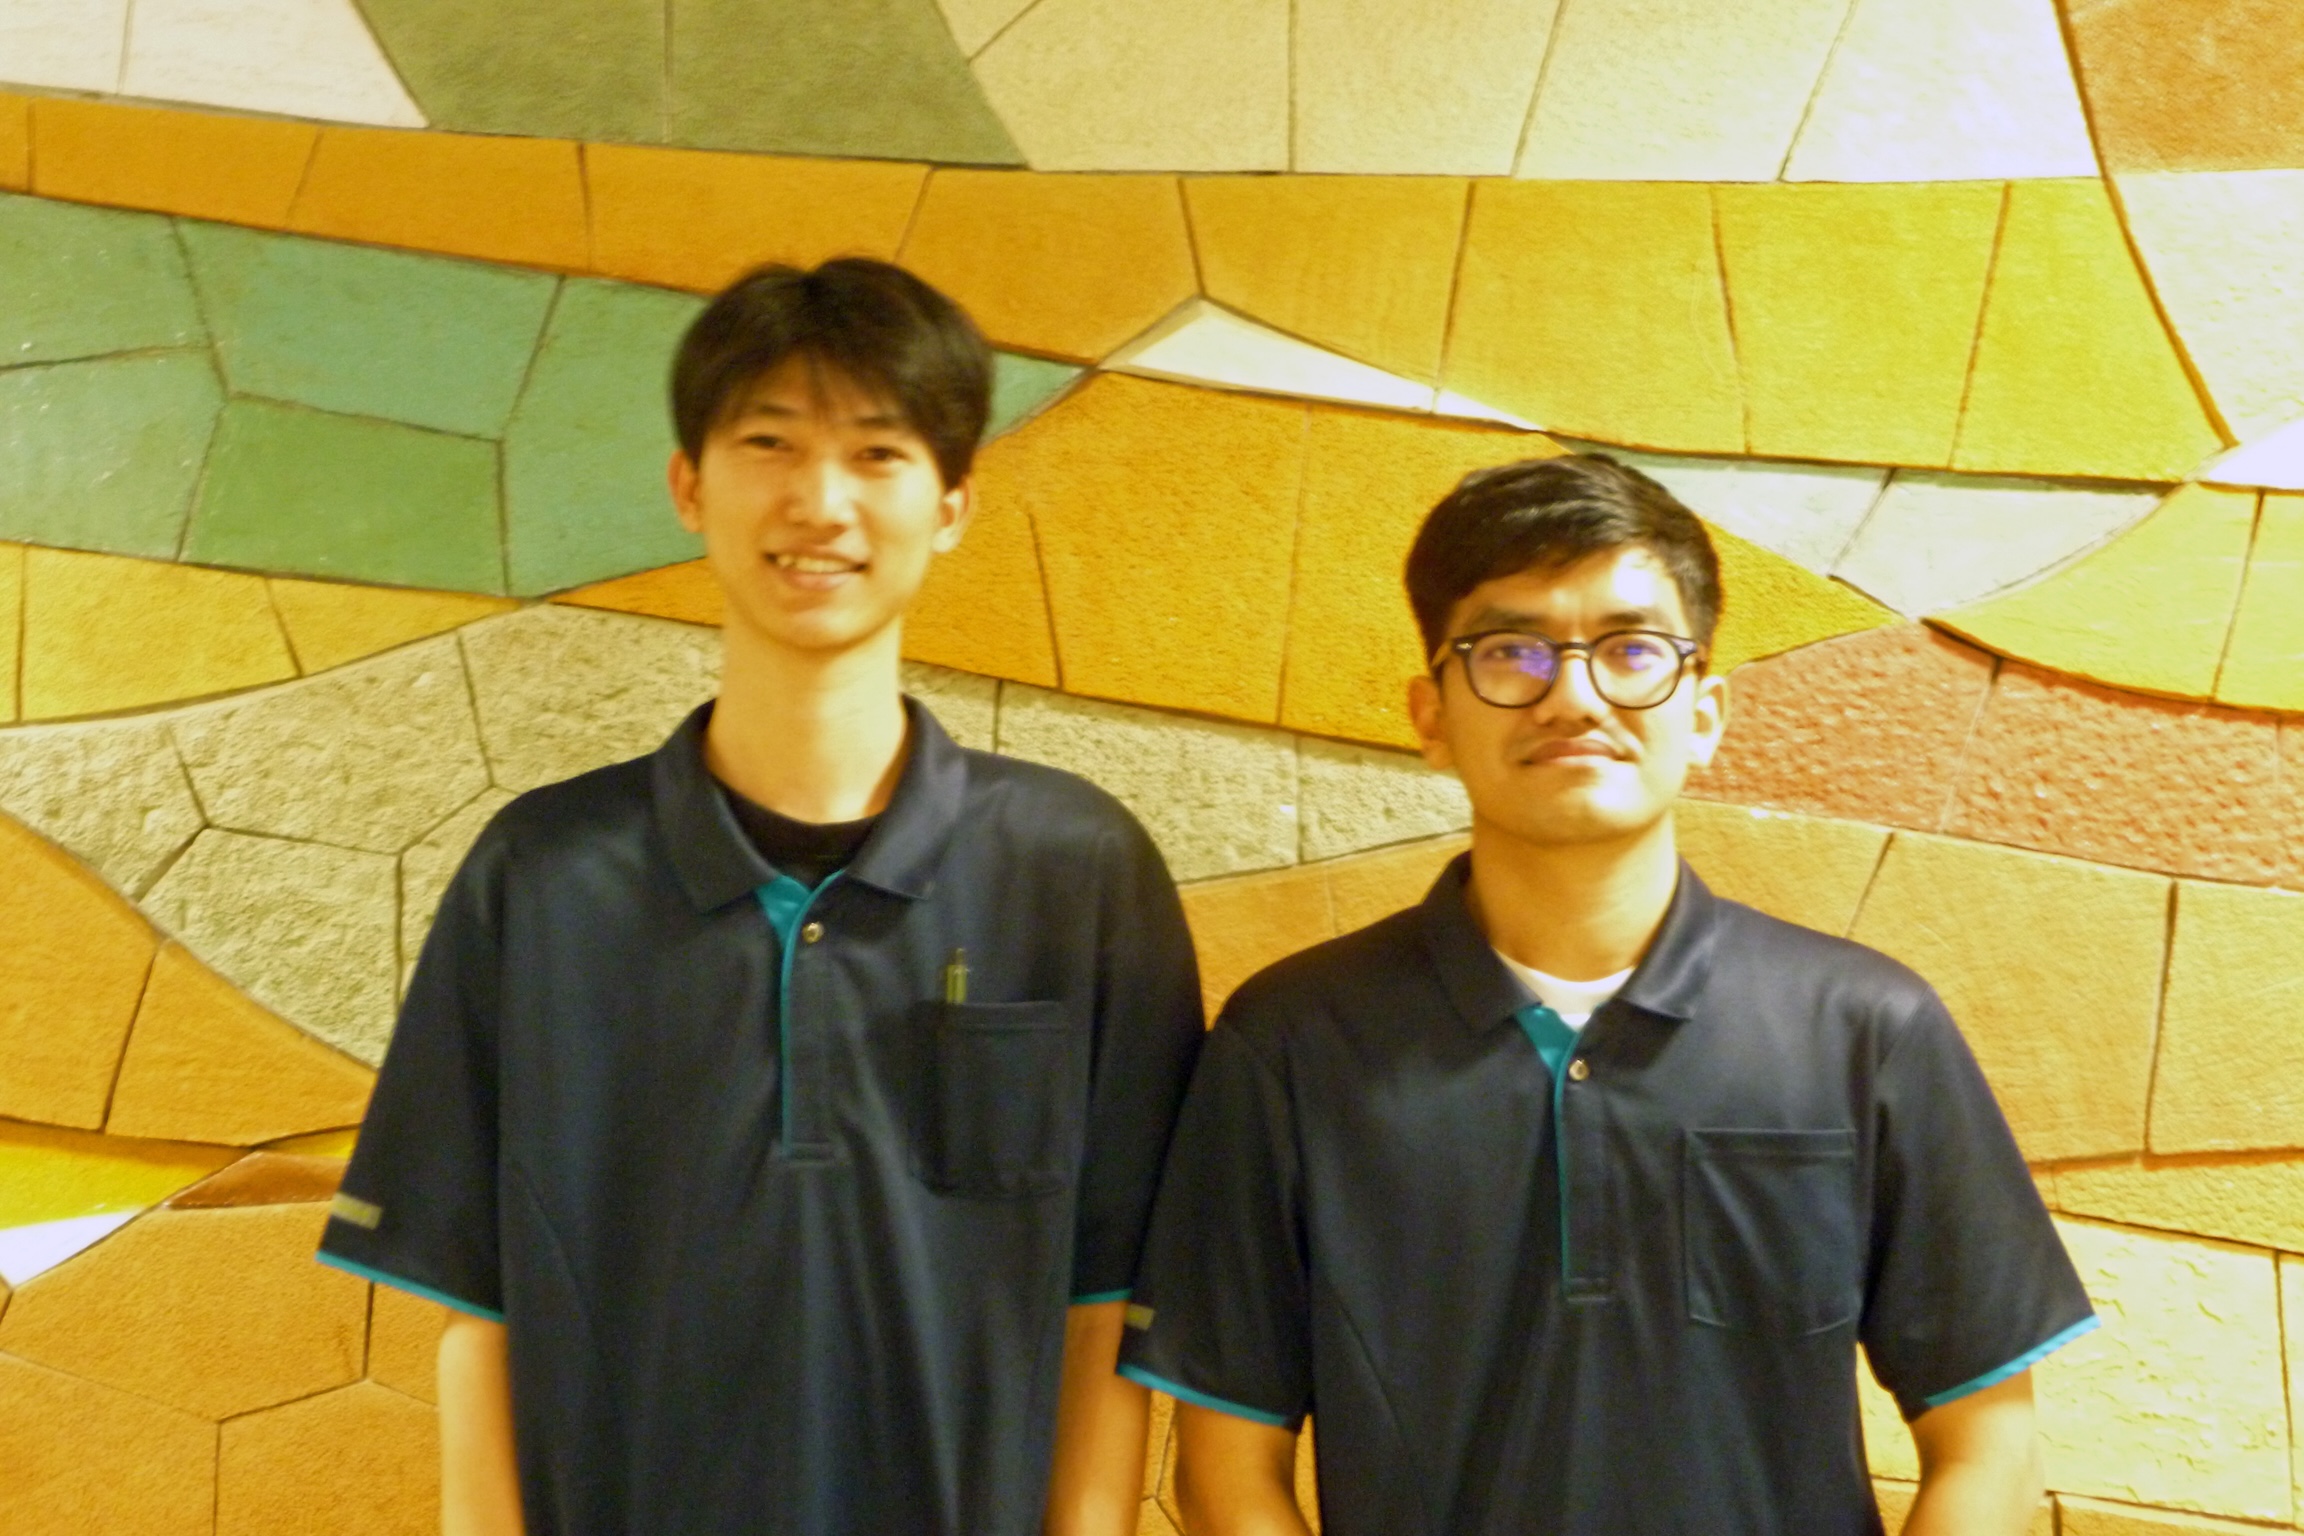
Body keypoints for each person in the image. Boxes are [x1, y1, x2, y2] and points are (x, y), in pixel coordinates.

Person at [318, 259, 1205, 1536]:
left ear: (953, 502)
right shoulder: (543, 875)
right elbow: (479, 1311)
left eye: (879, 453)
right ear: (690, 485)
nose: (820, 502)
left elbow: (1105, 1307)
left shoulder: (1077, 871)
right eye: (769, 443)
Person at [1117, 455, 2095, 1535]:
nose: (1573, 697)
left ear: (1706, 711)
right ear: (1430, 714)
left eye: (1631, 650)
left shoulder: (1867, 1031)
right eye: (1511, 651)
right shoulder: (1293, 1042)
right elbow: (1226, 1474)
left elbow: (1989, 1447)